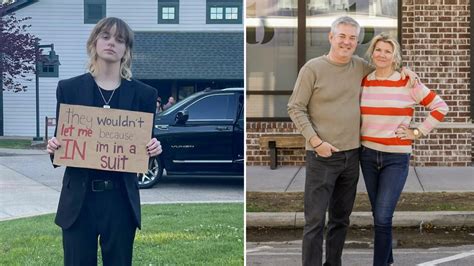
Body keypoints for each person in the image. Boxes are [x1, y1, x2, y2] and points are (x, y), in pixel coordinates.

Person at [46, 17, 162, 266]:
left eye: (119, 40)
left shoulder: (144, 94)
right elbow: (64, 143)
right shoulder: (69, 89)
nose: (112, 43)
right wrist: (54, 147)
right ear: (94, 42)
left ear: (126, 50)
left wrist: (153, 148)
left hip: (120, 200)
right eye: (106, 36)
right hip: (79, 200)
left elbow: (142, 146)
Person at [287, 16, 373, 266]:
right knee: (314, 222)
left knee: (340, 220)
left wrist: (406, 72)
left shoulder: (361, 67)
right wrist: (316, 142)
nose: (347, 42)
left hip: (352, 155)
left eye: (352, 38)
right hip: (322, 156)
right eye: (342, 36)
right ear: (331, 37)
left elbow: (387, 71)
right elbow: (295, 107)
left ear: (357, 41)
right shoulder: (312, 68)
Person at [360, 33, 448, 266]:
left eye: (387, 51)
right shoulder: (364, 81)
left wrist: (417, 132)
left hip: (395, 159)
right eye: (378, 50)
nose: (382, 54)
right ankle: (387, 260)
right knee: (379, 215)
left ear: (394, 56)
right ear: (372, 52)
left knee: (382, 215)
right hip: (367, 155)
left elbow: (440, 107)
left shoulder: (408, 82)